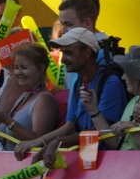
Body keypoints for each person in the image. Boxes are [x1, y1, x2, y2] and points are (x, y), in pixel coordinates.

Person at [14, 28, 128, 157]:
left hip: (108, 161)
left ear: (86, 53)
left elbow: (103, 130)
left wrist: (56, 143)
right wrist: (38, 142)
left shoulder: (110, 82)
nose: (63, 60)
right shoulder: (78, 82)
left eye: (68, 53)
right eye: (63, 53)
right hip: (87, 159)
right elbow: (71, 125)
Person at [0, 44, 60, 151]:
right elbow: (5, 138)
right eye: (16, 67)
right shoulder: (24, 96)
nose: (18, 73)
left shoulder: (44, 99)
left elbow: (38, 141)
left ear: (41, 68)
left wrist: (6, 120)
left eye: (24, 68)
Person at [85, 46, 140, 151]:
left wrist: (134, 128)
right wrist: (93, 110)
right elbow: (117, 144)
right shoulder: (134, 101)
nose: (123, 77)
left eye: (127, 72)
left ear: (139, 75)